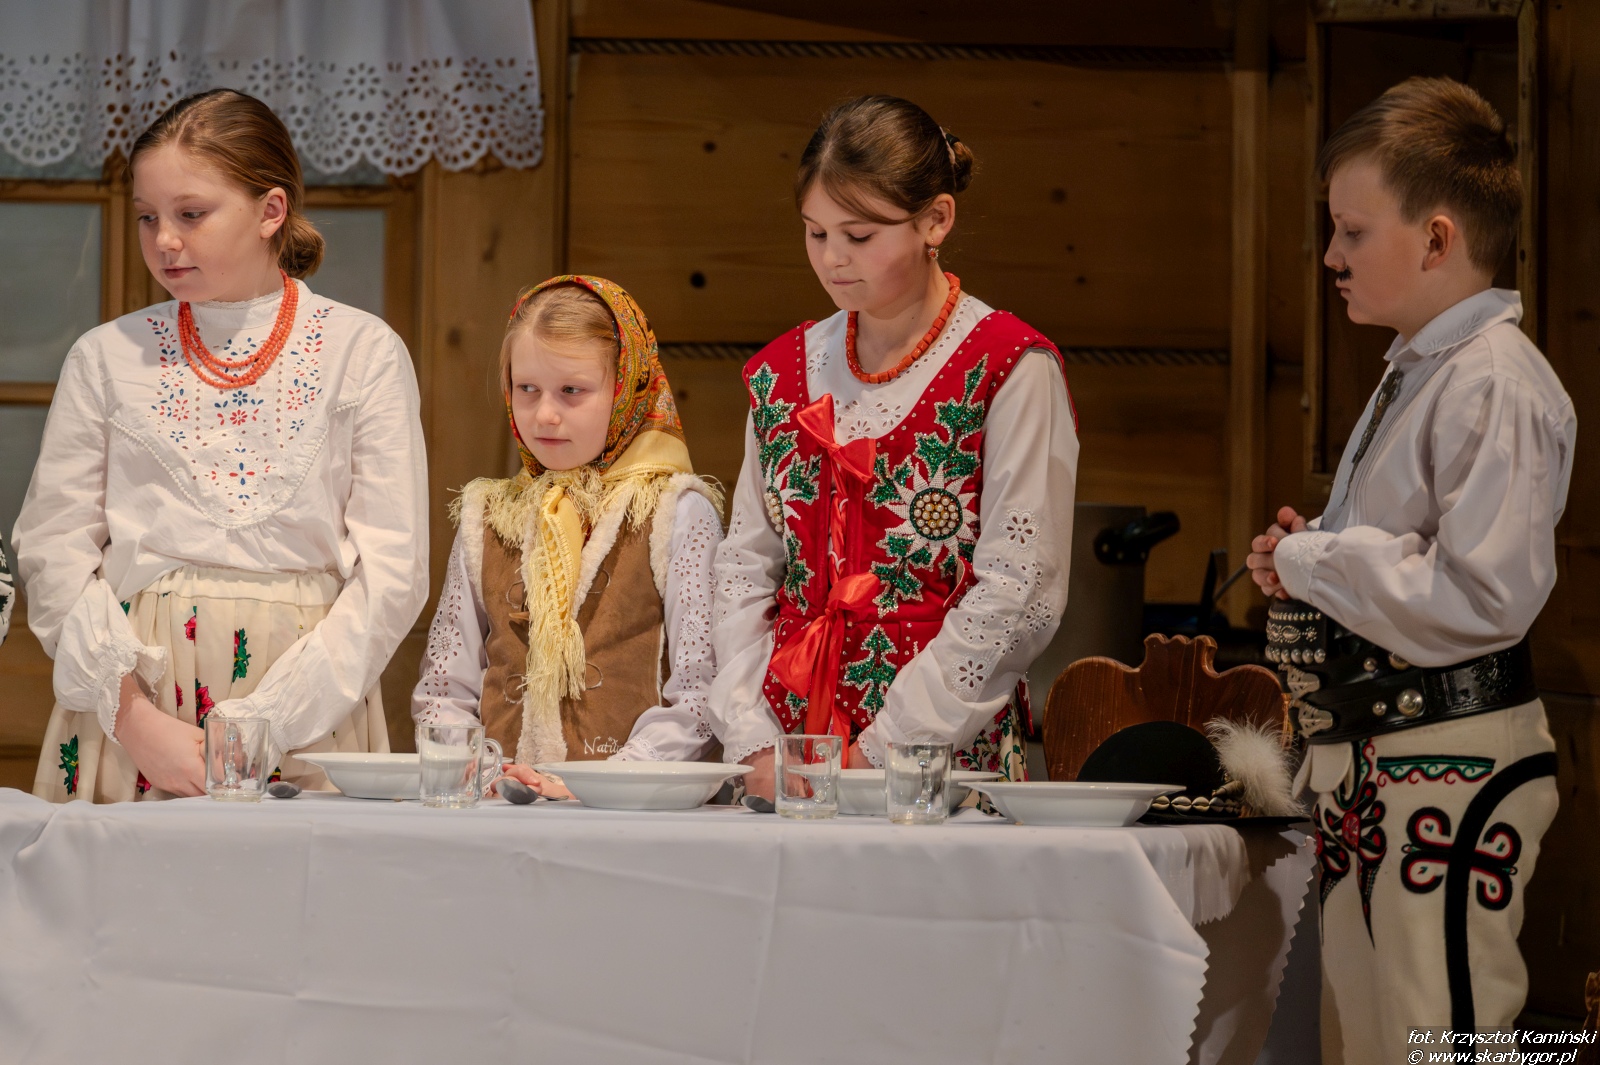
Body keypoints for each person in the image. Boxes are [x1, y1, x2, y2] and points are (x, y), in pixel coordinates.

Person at [1246, 78, 1573, 1062]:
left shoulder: (1494, 381)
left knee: (1438, 1036)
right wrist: (1311, 559)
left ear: (1435, 239)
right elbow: (1397, 547)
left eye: (1351, 231)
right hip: (1378, 757)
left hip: (1448, 756)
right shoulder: (1418, 367)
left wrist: (1317, 557)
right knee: (1367, 1039)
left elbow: (1482, 595)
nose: (1331, 255)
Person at [14, 89, 428, 802]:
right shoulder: (106, 357)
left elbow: (394, 571)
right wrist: (133, 718)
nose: (164, 240)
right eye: (147, 216)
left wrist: (271, 720)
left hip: (307, 711)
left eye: (191, 214)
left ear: (271, 210)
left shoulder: (363, 352)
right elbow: (54, 548)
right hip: (136, 711)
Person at [709, 95, 1079, 800]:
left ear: (936, 219)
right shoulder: (783, 372)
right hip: (787, 753)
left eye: (859, 235)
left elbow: (1018, 585)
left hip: (935, 752)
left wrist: (890, 747)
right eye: (816, 233)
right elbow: (745, 566)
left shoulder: (1007, 367)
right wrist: (752, 734)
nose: (833, 258)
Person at [412, 275, 723, 796]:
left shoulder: (675, 511)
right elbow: (445, 683)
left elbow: (701, 689)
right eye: (526, 389)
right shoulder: (488, 515)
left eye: (572, 391)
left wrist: (607, 782)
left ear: (626, 388)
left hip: (633, 810)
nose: (544, 414)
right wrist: (480, 771)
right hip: (500, 803)